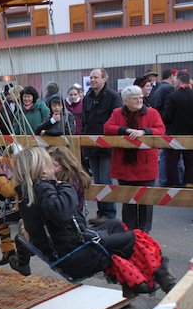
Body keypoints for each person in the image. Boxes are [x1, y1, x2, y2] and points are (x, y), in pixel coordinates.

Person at [11, 147, 176, 298]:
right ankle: (162, 278)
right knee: (138, 237)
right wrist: (64, 187)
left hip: (68, 247)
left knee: (115, 225)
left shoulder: (29, 191)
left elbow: (60, 219)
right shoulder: (44, 189)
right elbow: (61, 211)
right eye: (48, 163)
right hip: (77, 254)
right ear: (42, 168)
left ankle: (132, 283)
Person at [104, 85, 165, 233]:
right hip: (125, 167)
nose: (139, 100)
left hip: (145, 166)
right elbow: (107, 128)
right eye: (134, 98)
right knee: (128, 201)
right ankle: (129, 232)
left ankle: (144, 233)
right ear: (125, 101)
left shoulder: (152, 113)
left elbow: (161, 130)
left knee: (146, 202)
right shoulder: (117, 113)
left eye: (140, 97)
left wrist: (144, 131)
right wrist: (126, 130)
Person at [82, 68, 123, 222]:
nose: (93, 80)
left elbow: (117, 119)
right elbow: (85, 121)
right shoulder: (88, 97)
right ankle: (101, 213)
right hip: (91, 146)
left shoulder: (113, 97)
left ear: (104, 79)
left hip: (106, 147)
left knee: (105, 180)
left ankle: (109, 214)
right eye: (91, 78)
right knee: (97, 181)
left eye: (96, 77)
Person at [162, 70, 193, 188]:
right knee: (190, 162)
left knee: (172, 162)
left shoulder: (172, 96)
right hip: (191, 134)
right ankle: (189, 184)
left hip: (174, 135)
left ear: (178, 81)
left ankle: (173, 185)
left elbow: (166, 117)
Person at [47, 146, 91, 215]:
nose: (47, 167)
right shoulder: (58, 176)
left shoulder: (73, 181)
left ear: (62, 165)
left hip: (71, 217)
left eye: (51, 164)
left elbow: (63, 205)